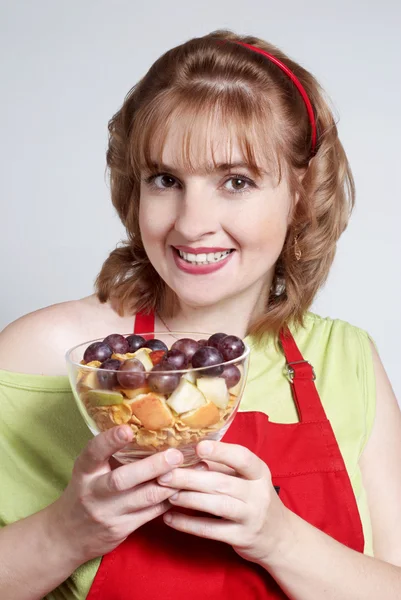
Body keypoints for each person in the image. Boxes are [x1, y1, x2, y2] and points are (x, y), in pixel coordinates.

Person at [0, 29, 400, 600]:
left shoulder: (346, 361)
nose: (192, 224)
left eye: (236, 181)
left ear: (301, 191)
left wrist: (280, 539)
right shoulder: (44, 357)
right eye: (166, 180)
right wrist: (68, 532)